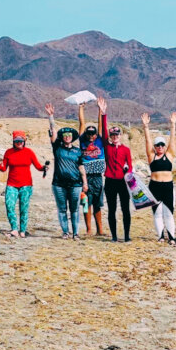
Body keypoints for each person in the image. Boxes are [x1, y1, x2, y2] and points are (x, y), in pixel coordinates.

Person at [46, 104, 86, 240]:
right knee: (62, 209)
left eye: (69, 135)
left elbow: (81, 167)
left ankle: (75, 233)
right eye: (65, 135)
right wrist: (51, 116)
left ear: (72, 137)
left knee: (75, 209)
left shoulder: (78, 151)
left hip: (75, 184)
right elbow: (53, 131)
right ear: (62, 137)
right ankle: (65, 232)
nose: (67, 136)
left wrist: (85, 183)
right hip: (59, 184)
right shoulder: (57, 147)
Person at [0, 131, 46, 238]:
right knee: (9, 205)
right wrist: (0, 166)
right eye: (16, 141)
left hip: (26, 185)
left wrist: (43, 168)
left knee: (24, 208)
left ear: (24, 141)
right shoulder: (8, 152)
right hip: (11, 184)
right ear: (13, 142)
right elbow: (3, 167)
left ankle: (23, 230)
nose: (19, 143)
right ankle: (14, 229)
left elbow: (38, 166)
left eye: (21, 141)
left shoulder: (29, 152)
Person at [141, 111, 176, 244]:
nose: (160, 147)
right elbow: (147, 141)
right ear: (155, 147)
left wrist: (173, 124)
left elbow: (173, 141)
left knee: (168, 213)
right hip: (154, 187)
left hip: (168, 187)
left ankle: (172, 237)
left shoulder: (169, 155)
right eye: (158, 145)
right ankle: (160, 236)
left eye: (162, 145)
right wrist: (146, 127)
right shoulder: (152, 156)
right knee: (157, 213)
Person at [102, 109, 134, 243]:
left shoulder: (126, 149)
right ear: (110, 136)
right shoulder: (107, 147)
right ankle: (114, 236)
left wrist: (128, 173)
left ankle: (126, 235)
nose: (115, 137)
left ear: (120, 135)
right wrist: (103, 114)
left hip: (122, 181)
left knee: (126, 209)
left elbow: (130, 165)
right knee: (112, 209)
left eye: (117, 135)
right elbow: (103, 132)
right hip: (110, 181)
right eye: (112, 135)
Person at [78, 98, 107, 236]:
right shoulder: (82, 140)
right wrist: (81, 108)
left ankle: (100, 230)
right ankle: (89, 229)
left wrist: (100, 110)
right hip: (85, 176)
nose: (91, 136)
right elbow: (82, 123)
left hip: (97, 177)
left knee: (97, 203)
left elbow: (100, 125)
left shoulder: (99, 140)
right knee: (85, 203)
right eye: (89, 134)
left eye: (93, 134)